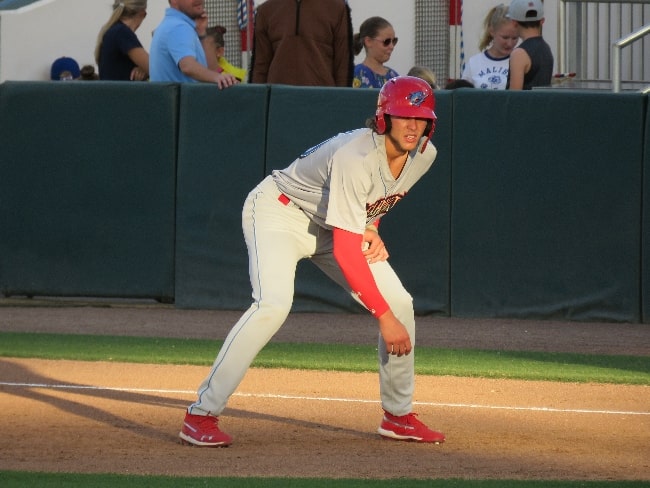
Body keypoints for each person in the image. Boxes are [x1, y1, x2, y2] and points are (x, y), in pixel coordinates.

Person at [178, 76, 446, 447]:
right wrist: (383, 319)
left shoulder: (424, 155)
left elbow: (381, 195)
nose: (413, 125)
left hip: (331, 223)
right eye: (404, 116)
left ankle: (398, 416)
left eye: (421, 118)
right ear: (384, 117)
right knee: (272, 306)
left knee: (401, 302)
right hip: (280, 212)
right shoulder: (357, 155)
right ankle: (200, 414)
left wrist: (370, 225)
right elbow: (345, 251)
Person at [248, 0, 353, 86]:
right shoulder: (265, 10)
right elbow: (259, 67)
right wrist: (255, 103)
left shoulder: (338, 8)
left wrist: (342, 105)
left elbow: (343, 65)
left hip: (323, 101)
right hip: (277, 100)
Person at [149, 0, 237, 87]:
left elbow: (210, 70)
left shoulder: (172, 24)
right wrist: (218, 77)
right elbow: (187, 67)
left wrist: (201, 33)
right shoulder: (179, 27)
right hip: (182, 100)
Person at [461, 4, 518, 90]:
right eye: (505, 37)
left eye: (514, 38)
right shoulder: (474, 63)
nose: (510, 43)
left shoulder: (519, 62)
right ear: (492, 31)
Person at [95, 0, 150, 81]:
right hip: (121, 92)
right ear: (142, 13)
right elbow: (154, 69)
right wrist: (145, 69)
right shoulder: (123, 33)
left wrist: (143, 68)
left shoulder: (112, 30)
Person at [506, 0, 554, 90]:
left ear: (513, 22)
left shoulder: (519, 53)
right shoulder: (546, 48)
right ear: (542, 21)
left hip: (525, 104)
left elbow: (513, 96)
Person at [352, 16, 399, 89]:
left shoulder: (394, 76)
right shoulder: (358, 74)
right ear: (368, 41)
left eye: (394, 41)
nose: (391, 46)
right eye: (386, 42)